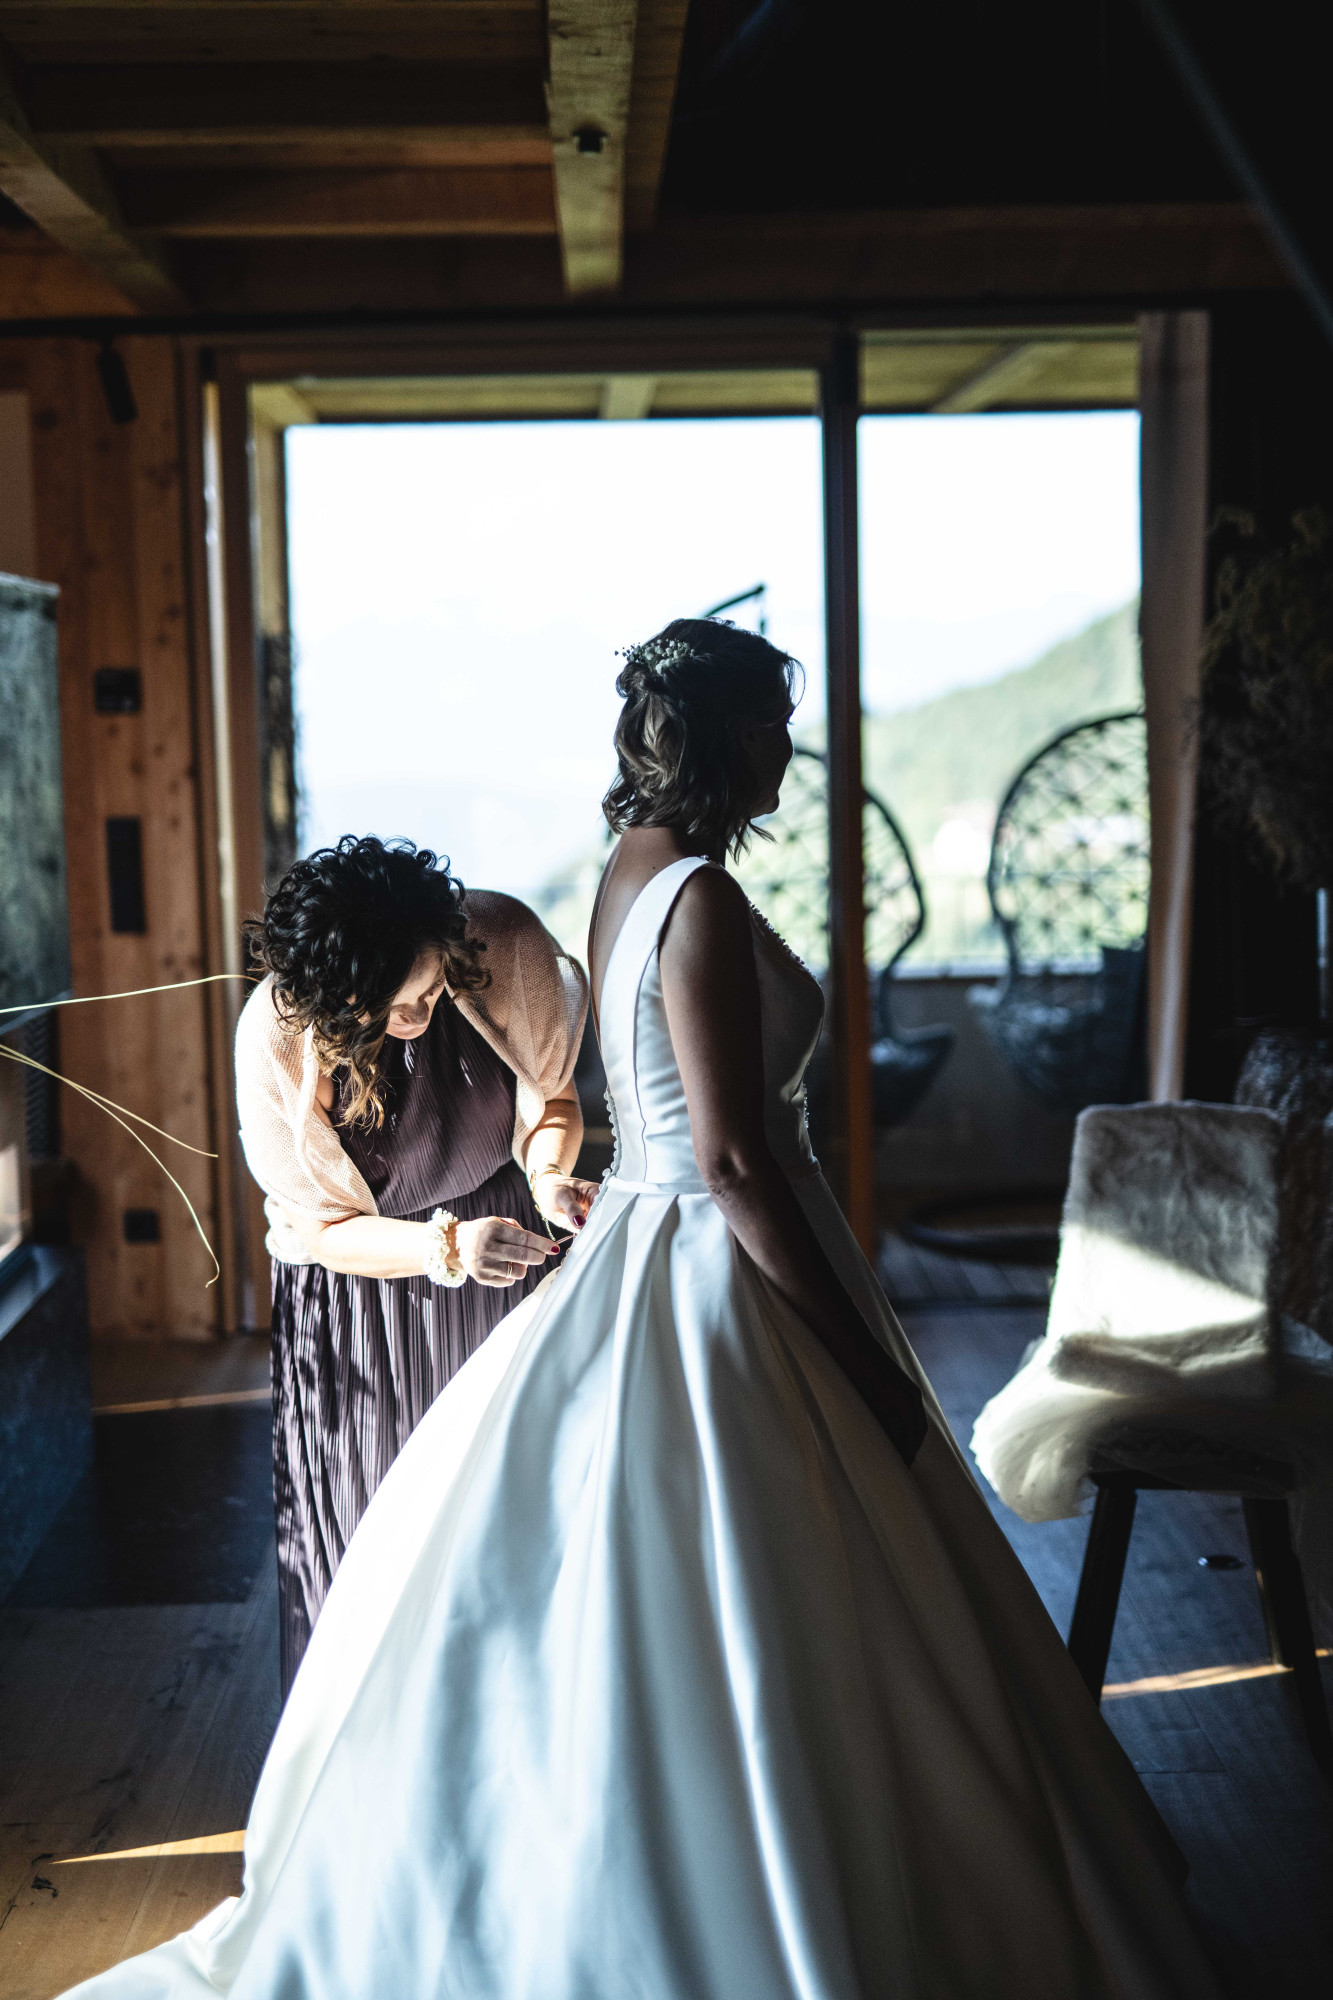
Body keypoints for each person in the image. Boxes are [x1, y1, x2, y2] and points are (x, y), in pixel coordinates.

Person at [63, 624, 1219, 1999]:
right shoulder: (692, 898)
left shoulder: (616, 878)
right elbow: (726, 1160)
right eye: (774, 724)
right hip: (629, 1258)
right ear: (731, 739)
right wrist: (864, 1360)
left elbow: (581, 1092)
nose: (788, 747)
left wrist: (557, 1174)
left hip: (608, 1233)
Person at [233, 835, 592, 1693]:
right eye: (392, 1008)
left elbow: (554, 1099)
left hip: (503, 1260)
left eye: (430, 991)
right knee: (371, 1539)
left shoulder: (504, 943)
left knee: (504, 1521)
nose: (418, 1017)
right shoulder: (276, 1038)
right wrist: (443, 1248)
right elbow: (323, 1227)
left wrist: (548, 1180)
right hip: (359, 1290)